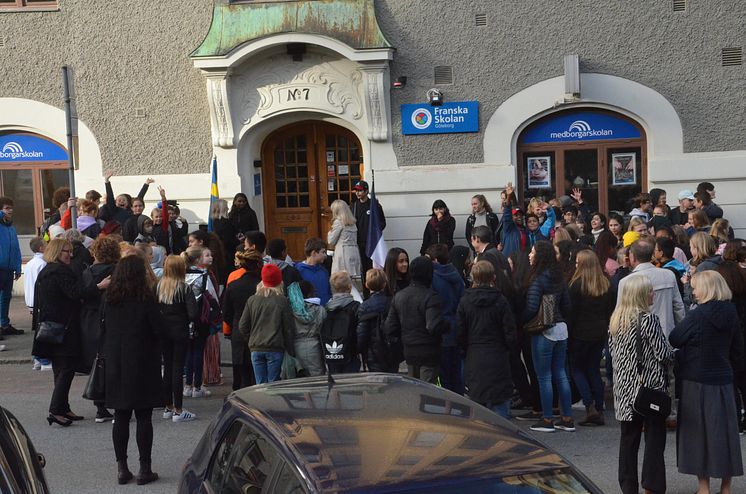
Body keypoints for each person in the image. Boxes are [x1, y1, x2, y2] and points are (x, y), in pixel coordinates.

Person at [669, 271, 743, 494]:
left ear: (706, 288)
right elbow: (738, 350)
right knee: (726, 434)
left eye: (696, 287)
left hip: (697, 379)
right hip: (723, 379)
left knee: (698, 435)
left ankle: (704, 488)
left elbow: (675, 338)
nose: (693, 291)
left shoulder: (698, 315)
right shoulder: (731, 312)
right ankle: (726, 487)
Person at [609, 274, 673, 494]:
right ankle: (651, 486)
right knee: (654, 440)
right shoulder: (648, 320)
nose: (653, 294)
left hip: (625, 391)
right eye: (649, 291)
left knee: (628, 440)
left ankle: (628, 487)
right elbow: (663, 354)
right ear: (640, 295)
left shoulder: (615, 321)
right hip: (649, 390)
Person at [100, 255, 162, 485]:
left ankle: (122, 467)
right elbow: (158, 328)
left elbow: (102, 327)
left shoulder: (109, 298)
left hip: (116, 362)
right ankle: (145, 468)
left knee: (121, 415)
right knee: (144, 416)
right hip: (143, 361)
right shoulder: (146, 298)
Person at [521, 241, 573, 433]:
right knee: (561, 373)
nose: (529, 255)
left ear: (539, 256)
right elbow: (567, 305)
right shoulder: (559, 277)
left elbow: (532, 307)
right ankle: (567, 418)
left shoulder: (538, 279)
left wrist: (522, 321)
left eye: (532, 252)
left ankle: (547, 419)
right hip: (561, 328)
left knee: (544, 377)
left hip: (544, 330)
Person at [457, 260, 516, 418]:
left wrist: (465, 349)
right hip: (497, 355)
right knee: (500, 407)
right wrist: (508, 349)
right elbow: (510, 332)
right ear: (493, 277)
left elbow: (460, 332)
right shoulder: (501, 301)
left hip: (475, 355)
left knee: (477, 408)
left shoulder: (465, 302)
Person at [568, 249, 614, 426]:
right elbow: (609, 310)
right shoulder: (605, 284)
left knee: (577, 369)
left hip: (580, 333)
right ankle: (599, 408)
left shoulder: (576, 285)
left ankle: (589, 406)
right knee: (593, 370)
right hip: (599, 332)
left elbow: (571, 314)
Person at [385, 256, 447, 384]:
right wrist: (447, 325)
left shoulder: (399, 296)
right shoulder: (431, 296)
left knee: (414, 390)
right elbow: (433, 326)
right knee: (428, 392)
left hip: (409, 351)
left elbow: (389, 327)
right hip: (429, 351)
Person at [79, 236, 120, 423]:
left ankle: (100, 406)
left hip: (88, 319)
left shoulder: (87, 271)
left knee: (98, 361)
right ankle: (112, 401)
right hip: (109, 318)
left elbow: (82, 295)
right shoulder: (115, 271)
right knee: (112, 360)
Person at [157, 255, 198, 423]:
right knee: (177, 368)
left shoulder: (159, 286)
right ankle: (178, 410)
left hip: (163, 331)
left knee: (167, 368)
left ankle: (167, 406)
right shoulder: (184, 288)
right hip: (180, 331)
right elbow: (193, 313)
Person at [238, 263, 295, 383]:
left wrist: (251, 340)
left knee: (260, 384)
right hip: (275, 347)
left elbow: (243, 325)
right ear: (280, 281)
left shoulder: (252, 300)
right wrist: (290, 349)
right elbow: (288, 328)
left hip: (256, 347)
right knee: (273, 384)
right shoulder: (282, 301)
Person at [617, 238, 685, 336]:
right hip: (667, 334)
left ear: (632, 257)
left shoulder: (626, 282)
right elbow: (678, 308)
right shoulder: (668, 275)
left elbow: (621, 315)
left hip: (639, 339)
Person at [221, 250, 263, 390]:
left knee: (240, 367)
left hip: (238, 329)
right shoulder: (263, 287)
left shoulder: (233, 286)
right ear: (259, 264)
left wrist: (233, 323)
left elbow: (226, 312)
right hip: (259, 331)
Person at [427, 243, 465, 394]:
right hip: (456, 326)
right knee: (456, 372)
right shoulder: (455, 274)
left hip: (441, 328)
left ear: (435, 260)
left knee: (444, 375)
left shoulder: (434, 277)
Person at [182, 245, 218, 398]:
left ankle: (188, 385)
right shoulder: (203, 276)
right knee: (198, 350)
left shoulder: (182, 275)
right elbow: (212, 296)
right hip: (200, 317)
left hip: (184, 316)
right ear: (197, 260)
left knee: (188, 351)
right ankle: (197, 386)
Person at [357, 268, 397, 372]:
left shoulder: (364, 306)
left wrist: (359, 349)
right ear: (384, 284)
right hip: (392, 350)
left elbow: (362, 334)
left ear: (366, 285)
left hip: (373, 353)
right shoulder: (392, 302)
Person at [322, 271, 361, 373]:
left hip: (331, 355)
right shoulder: (356, 307)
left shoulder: (326, 309)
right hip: (350, 354)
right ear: (349, 287)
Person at [288, 281, 326, 377]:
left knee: (300, 381)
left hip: (295, 347)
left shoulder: (290, 310)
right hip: (315, 347)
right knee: (318, 379)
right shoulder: (320, 309)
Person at [351, 180, 386, 284]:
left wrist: (375, 233)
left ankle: (375, 286)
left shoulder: (374, 205)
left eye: (360, 190)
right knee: (363, 269)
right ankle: (366, 291)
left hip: (373, 243)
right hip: (359, 242)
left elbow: (382, 223)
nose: (357, 193)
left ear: (366, 191)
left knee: (374, 268)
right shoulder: (354, 206)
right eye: (356, 191)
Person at [25, 237, 49, 368]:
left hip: (31, 301)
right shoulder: (42, 264)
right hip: (39, 301)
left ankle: (37, 359)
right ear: (41, 248)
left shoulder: (30, 263)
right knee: (43, 330)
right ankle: (43, 359)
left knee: (39, 330)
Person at [327, 199, 362, 291]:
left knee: (340, 280)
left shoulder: (338, 222)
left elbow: (331, 241)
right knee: (355, 280)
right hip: (354, 252)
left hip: (343, 253)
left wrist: (329, 232)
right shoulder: (353, 223)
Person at [0, 197, 22, 337]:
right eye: (7, 208)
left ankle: (4, 324)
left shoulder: (11, 228)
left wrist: (18, 266)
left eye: (11, 208)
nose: (10, 211)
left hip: (8, 268)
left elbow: (16, 249)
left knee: (6, 298)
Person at [296, 237, 332, 305]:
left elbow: (328, 292)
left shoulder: (324, 271)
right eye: (323, 252)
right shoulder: (299, 271)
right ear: (314, 253)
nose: (325, 255)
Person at [500, 182, 528, 257]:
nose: (519, 217)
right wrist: (508, 197)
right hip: (510, 262)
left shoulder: (525, 230)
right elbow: (507, 216)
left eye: (520, 215)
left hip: (522, 262)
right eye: (516, 215)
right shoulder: (508, 228)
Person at [210, 198, 239, 266]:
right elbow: (228, 239)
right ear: (222, 209)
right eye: (226, 207)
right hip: (229, 252)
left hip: (220, 252)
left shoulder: (215, 221)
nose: (228, 208)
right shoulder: (226, 222)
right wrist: (238, 240)